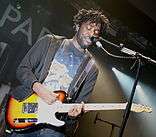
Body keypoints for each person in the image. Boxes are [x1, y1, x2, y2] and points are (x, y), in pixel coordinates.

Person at [6, 9, 110, 137]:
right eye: (88, 28)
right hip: (28, 112)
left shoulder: (91, 68)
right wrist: (38, 88)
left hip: (54, 128)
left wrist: (74, 115)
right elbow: (22, 69)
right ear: (77, 26)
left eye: (96, 32)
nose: (92, 34)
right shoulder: (50, 42)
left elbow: (80, 102)